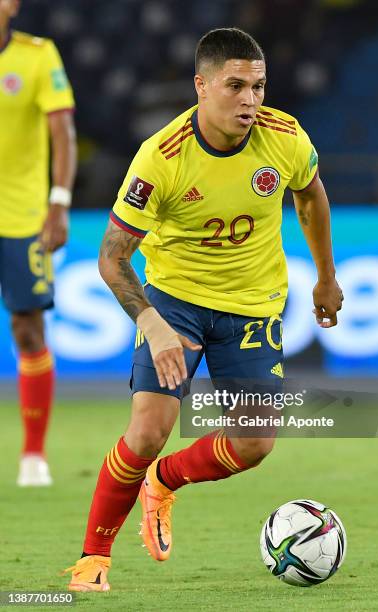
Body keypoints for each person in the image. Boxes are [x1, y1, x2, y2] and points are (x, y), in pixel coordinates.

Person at [64, 28, 343, 592]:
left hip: (251, 305)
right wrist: (152, 322)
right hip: (176, 303)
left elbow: (310, 194)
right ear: (201, 87)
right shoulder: (160, 159)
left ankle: (164, 482)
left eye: (259, 87)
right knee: (147, 431)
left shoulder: (284, 137)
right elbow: (112, 260)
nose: (250, 100)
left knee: (255, 442)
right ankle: (93, 559)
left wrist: (326, 277)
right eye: (236, 86)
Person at [0, 0, 77, 486]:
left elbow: (63, 133)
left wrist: (59, 201)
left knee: (28, 330)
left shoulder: (37, 55)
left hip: (23, 216)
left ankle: (33, 455)